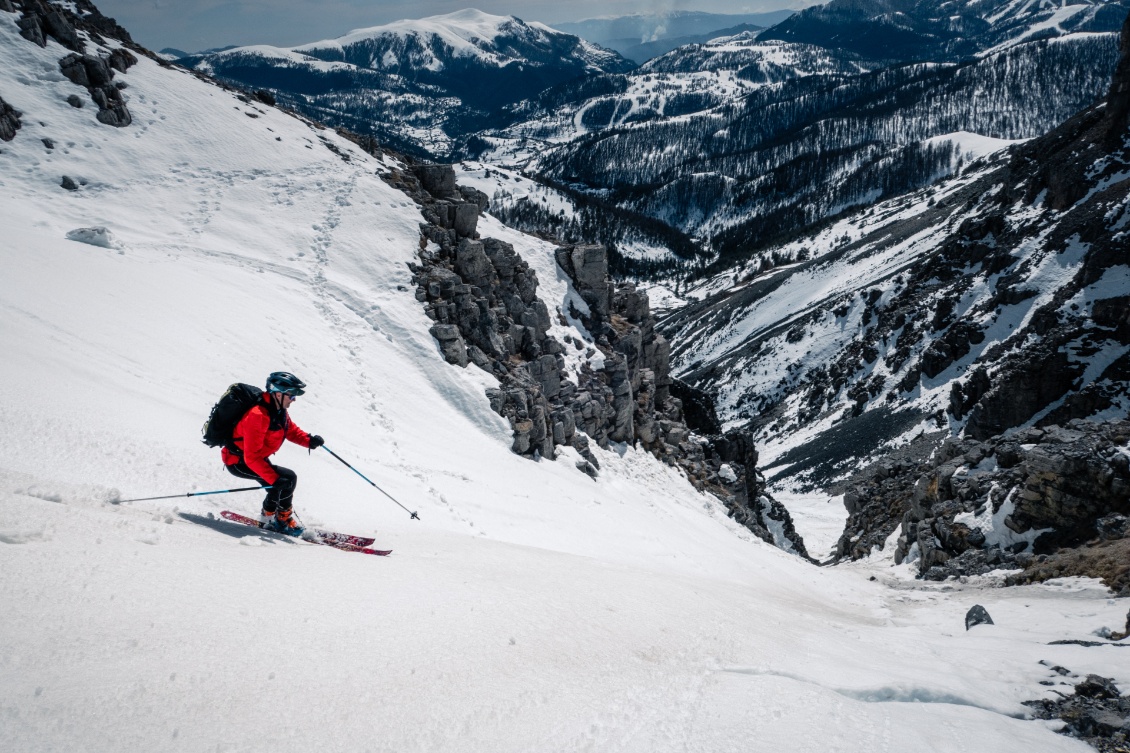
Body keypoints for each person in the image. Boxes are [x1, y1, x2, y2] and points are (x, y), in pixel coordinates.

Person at [221, 371, 324, 535]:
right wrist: (274, 479)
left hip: (255, 459)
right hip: (239, 461)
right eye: (291, 395)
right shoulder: (258, 415)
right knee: (282, 481)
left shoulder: (278, 410)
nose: (294, 399)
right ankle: (271, 520)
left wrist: (309, 441)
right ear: (277, 393)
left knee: (284, 481)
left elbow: (290, 431)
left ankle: (279, 518)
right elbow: (251, 457)